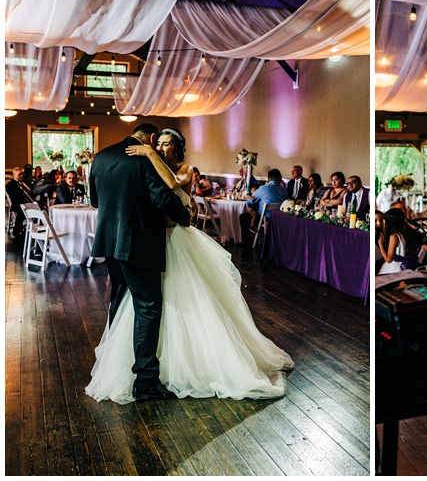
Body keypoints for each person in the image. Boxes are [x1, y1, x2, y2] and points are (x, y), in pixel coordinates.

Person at [86, 127, 291, 404]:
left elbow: (95, 200)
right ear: (149, 139)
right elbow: (161, 198)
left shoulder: (101, 157)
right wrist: (183, 215)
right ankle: (145, 381)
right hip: (140, 242)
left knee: (122, 301)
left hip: (109, 243)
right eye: (156, 142)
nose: (159, 147)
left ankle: (118, 359)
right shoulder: (142, 159)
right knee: (147, 306)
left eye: (166, 143)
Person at [240, 168, 289, 242]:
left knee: (243, 217)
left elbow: (250, 201)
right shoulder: (284, 191)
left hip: (264, 218)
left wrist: (248, 197)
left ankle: (246, 242)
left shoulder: (263, 188)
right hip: (280, 219)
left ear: (268, 178)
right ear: (279, 178)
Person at [6, 166, 35, 237]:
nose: (21, 176)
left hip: (24, 202)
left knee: (39, 206)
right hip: (17, 204)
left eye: (22, 174)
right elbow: (15, 197)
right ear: (13, 175)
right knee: (23, 210)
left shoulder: (23, 183)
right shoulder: (10, 185)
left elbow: (30, 192)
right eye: (19, 174)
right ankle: (17, 230)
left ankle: (33, 227)